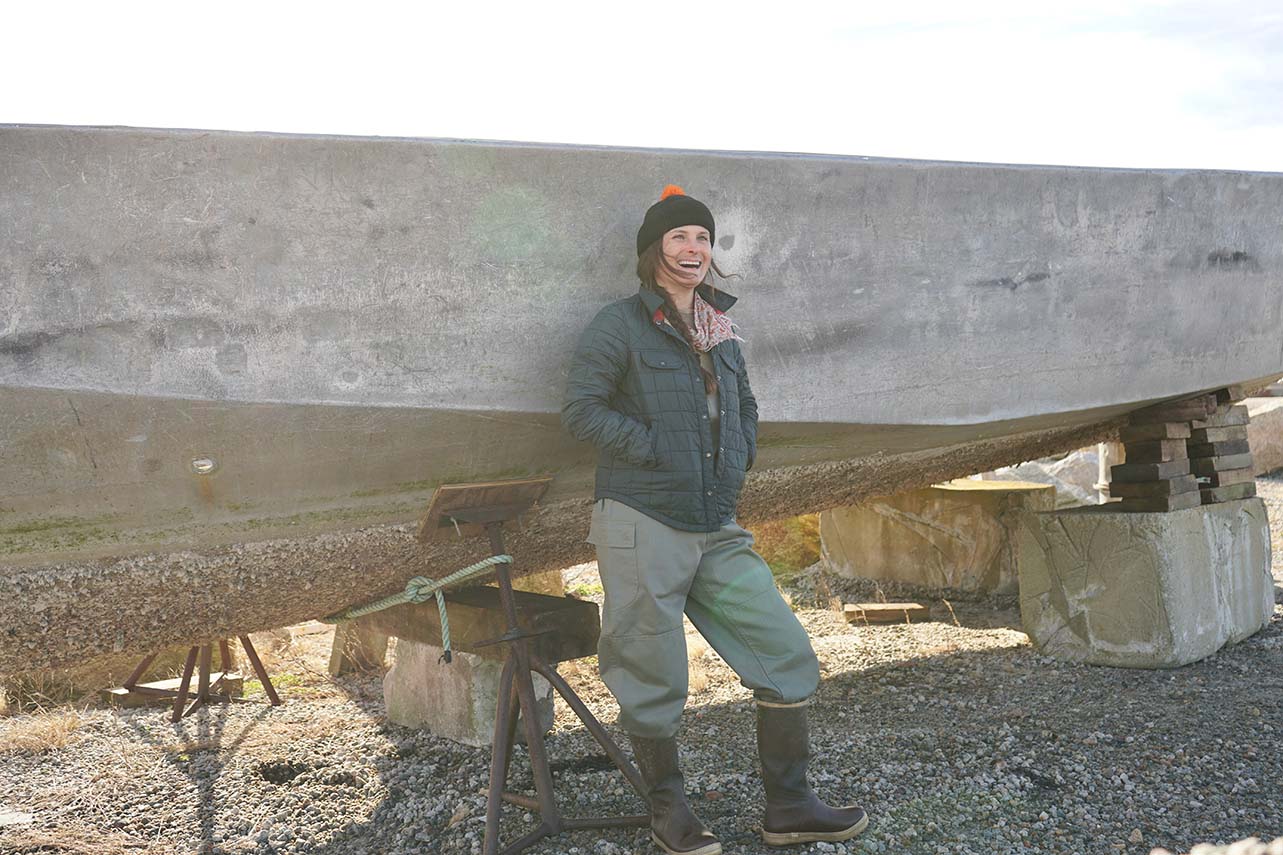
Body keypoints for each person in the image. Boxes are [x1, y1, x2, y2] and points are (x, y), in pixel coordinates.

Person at [561, 186, 867, 854]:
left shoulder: (720, 330)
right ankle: (668, 811)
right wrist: (657, 450)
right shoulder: (618, 325)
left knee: (783, 651)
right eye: (678, 237)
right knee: (652, 669)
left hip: (715, 521)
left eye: (702, 237)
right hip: (641, 515)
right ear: (653, 251)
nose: (693, 248)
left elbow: (745, 404)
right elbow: (580, 408)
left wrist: (739, 454)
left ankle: (787, 806)